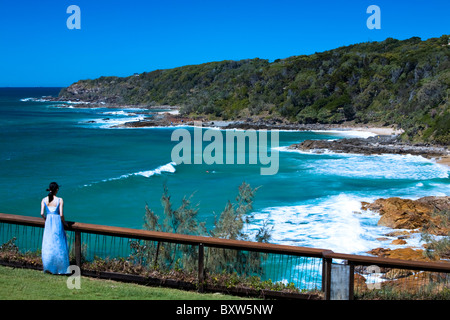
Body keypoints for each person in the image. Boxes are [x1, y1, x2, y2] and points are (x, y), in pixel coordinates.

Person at [40, 182, 70, 274]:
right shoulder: (60, 200)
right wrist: (64, 223)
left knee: (48, 244)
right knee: (59, 244)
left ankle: (49, 267)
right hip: (57, 223)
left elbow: (42, 213)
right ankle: (61, 268)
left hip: (48, 223)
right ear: (56, 189)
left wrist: (46, 219)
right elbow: (61, 214)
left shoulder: (44, 200)